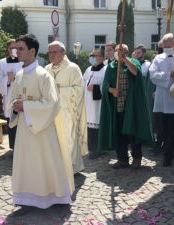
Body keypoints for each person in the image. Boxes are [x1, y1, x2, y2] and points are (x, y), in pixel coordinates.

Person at [9, 34, 72, 210]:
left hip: (42, 130)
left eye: (21, 49)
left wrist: (26, 106)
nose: (17, 52)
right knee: (26, 163)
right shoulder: (19, 75)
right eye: (16, 49)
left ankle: (52, 197)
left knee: (44, 162)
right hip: (24, 129)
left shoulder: (44, 75)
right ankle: (26, 198)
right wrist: (14, 106)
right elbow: (12, 99)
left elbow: (52, 103)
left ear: (32, 51)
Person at [97, 43, 153, 169]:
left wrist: (125, 59)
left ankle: (137, 158)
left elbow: (135, 72)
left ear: (126, 52)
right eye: (116, 51)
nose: (117, 53)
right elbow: (105, 85)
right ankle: (122, 159)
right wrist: (112, 90)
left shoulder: (133, 61)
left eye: (120, 51)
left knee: (132, 133)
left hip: (131, 106)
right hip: (117, 106)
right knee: (119, 134)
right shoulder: (111, 66)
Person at [45, 41, 88, 174]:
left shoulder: (73, 68)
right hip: (50, 113)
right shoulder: (46, 69)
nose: (51, 55)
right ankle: (56, 168)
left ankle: (70, 169)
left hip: (67, 112)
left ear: (63, 53)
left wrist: (59, 90)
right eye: (50, 52)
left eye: (55, 52)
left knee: (68, 141)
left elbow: (79, 91)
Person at [149, 33, 174, 166]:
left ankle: (171, 150)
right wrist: (168, 75)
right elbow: (153, 75)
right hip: (162, 97)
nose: (166, 48)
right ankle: (168, 152)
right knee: (164, 127)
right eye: (164, 46)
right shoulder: (158, 58)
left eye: (169, 46)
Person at [0, 39, 23, 151]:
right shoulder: (2, 63)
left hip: (22, 96)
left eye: (16, 48)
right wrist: (7, 78)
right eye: (11, 48)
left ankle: (23, 147)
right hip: (9, 95)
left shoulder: (23, 61)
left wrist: (16, 77)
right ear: (8, 49)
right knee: (12, 121)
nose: (13, 50)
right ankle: (13, 147)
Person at [83, 49, 106, 159]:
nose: (91, 57)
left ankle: (98, 149)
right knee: (89, 126)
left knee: (97, 124)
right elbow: (83, 83)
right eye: (91, 55)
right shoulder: (88, 69)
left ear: (101, 57)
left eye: (94, 55)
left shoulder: (105, 70)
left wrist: (96, 87)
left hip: (98, 103)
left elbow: (107, 87)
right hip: (88, 102)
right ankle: (91, 148)